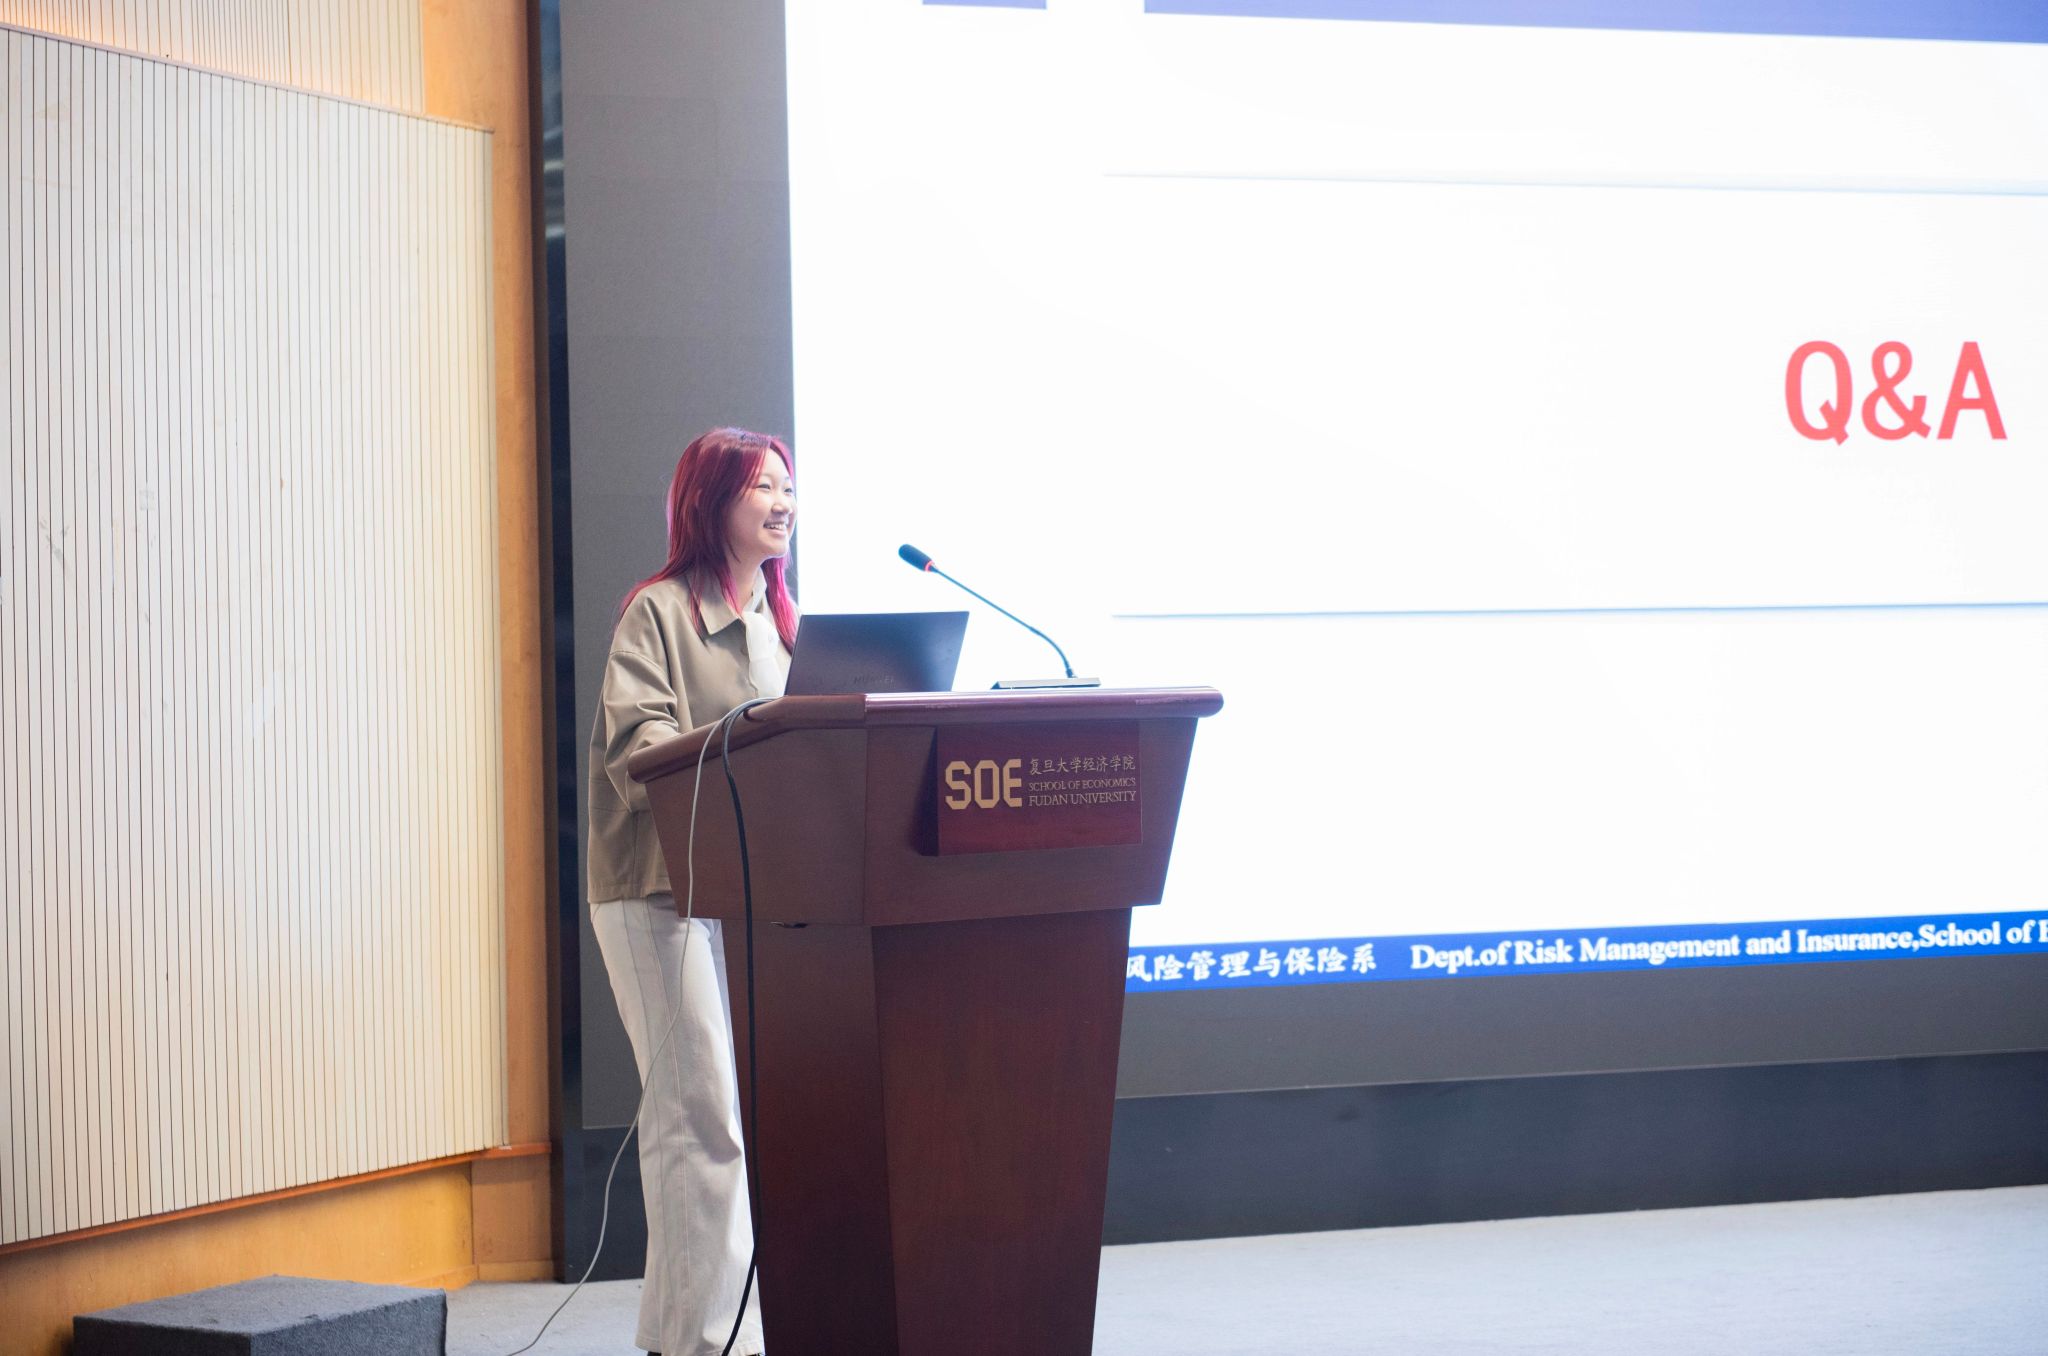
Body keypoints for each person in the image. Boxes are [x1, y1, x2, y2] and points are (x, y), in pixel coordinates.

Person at [585, 427, 798, 1356]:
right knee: (697, 1117)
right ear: (712, 501)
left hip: (745, 899)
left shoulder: (781, 624)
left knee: (715, 1118)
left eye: (788, 486)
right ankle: (713, 1342)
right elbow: (640, 752)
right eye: (763, 487)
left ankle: (683, 1336)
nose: (784, 504)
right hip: (655, 892)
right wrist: (752, 742)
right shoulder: (658, 612)